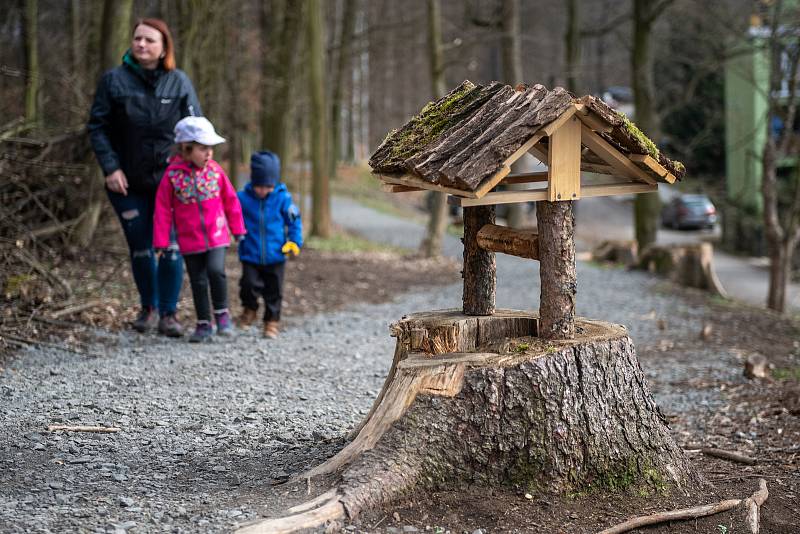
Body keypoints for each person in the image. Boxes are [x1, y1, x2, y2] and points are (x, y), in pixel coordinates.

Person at [88, 18, 201, 337]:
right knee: (141, 247)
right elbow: (97, 127)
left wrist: (187, 169)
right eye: (137, 39)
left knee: (171, 247)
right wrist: (111, 167)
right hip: (126, 182)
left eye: (150, 40)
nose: (141, 45)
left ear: (164, 46)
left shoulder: (179, 82)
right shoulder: (113, 81)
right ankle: (147, 308)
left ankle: (169, 314)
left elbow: (196, 130)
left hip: (171, 184)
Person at [153, 117, 245, 343]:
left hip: (216, 235)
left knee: (216, 271)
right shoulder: (172, 177)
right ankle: (204, 322)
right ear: (186, 149)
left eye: (210, 148)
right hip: (189, 240)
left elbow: (231, 200)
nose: (209, 154)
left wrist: (238, 229)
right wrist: (161, 241)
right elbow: (162, 209)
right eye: (203, 149)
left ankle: (222, 314)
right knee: (198, 280)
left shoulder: (215, 171)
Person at [237, 151, 303, 339]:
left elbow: (294, 221)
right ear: (253, 181)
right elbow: (232, 216)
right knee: (248, 285)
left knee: (274, 291)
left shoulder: (283, 199)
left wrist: (294, 242)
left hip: (276, 255)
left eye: (268, 186)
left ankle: (271, 322)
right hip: (250, 253)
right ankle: (249, 308)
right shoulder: (242, 198)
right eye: (259, 186)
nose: (263, 190)